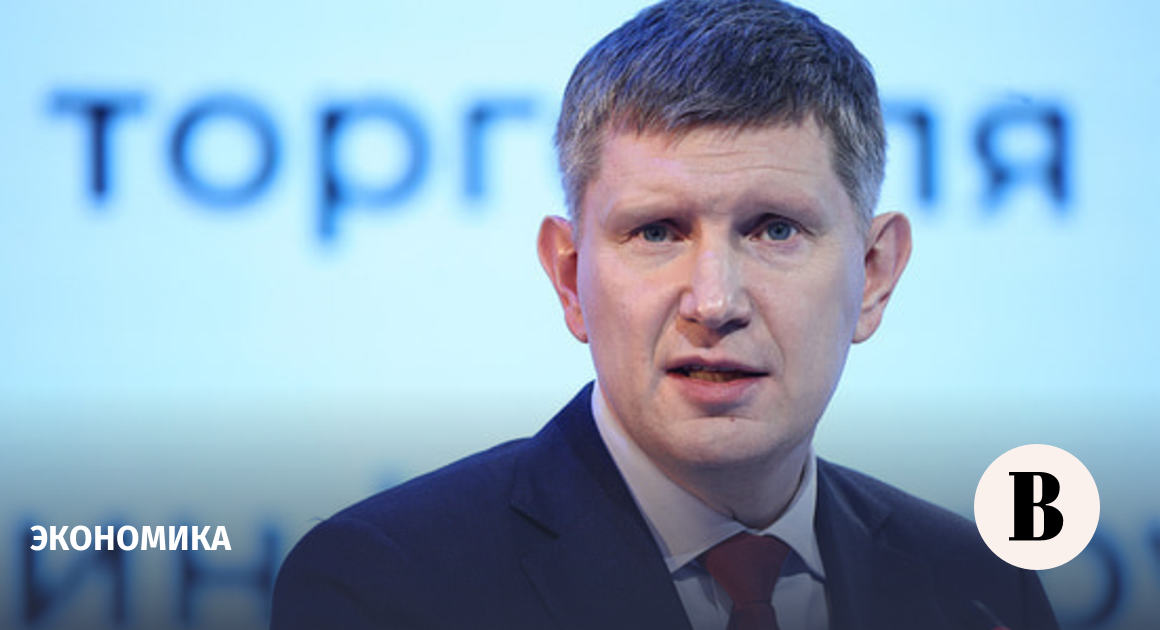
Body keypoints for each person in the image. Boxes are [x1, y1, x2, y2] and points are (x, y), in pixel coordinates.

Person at [272, 1, 1059, 629]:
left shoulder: (982, 590)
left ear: (876, 275)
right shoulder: (385, 588)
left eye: (775, 230)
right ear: (570, 278)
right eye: (657, 232)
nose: (714, 303)